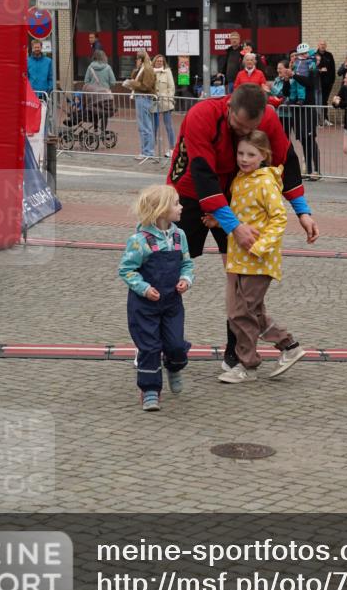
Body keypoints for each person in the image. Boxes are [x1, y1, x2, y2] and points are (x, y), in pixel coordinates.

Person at [167, 83, 319, 370]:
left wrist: (303, 212)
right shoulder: (202, 115)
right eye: (237, 125)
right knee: (166, 265)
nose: (241, 131)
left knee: (238, 275)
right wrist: (234, 226)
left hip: (237, 193)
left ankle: (235, 352)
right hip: (188, 191)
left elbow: (287, 161)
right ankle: (157, 344)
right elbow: (202, 174)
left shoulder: (269, 118)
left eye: (250, 127)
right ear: (228, 109)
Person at [203, 130, 305, 383]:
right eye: (240, 153)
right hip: (241, 259)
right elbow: (242, 216)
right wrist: (219, 222)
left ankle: (247, 365)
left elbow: (279, 218)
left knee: (241, 312)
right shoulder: (240, 179)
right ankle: (289, 346)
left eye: (251, 154)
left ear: (264, 156)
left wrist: (261, 247)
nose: (244, 159)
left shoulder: (265, 182)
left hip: (259, 261)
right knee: (253, 312)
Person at [118, 185, 194, 412]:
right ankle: (150, 390)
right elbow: (126, 270)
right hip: (144, 305)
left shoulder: (180, 236)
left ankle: (174, 366)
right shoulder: (139, 240)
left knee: (176, 345)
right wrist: (143, 288)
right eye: (176, 203)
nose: (181, 207)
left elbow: (187, 263)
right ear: (161, 210)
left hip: (171, 302)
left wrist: (186, 279)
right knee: (149, 347)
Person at [289, 43, 321, 179]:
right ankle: (308, 169)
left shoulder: (312, 65)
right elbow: (289, 88)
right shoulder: (295, 65)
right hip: (297, 107)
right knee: (302, 139)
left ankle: (317, 170)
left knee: (310, 139)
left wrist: (294, 76)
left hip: (308, 106)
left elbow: (310, 83)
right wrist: (287, 79)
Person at [123, 49, 156, 162]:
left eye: (137, 58)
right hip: (141, 98)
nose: (135, 60)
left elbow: (146, 86)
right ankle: (145, 151)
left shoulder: (147, 69)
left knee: (145, 127)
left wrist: (131, 83)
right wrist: (136, 69)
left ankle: (148, 151)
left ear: (141, 59)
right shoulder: (142, 69)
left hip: (143, 98)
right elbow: (135, 77)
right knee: (144, 126)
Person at [151, 54, 176, 157]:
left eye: (161, 61)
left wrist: (168, 97)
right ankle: (152, 149)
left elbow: (171, 87)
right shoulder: (150, 72)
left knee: (168, 126)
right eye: (158, 61)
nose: (160, 62)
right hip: (154, 102)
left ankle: (172, 148)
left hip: (165, 101)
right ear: (154, 62)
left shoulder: (167, 71)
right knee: (154, 127)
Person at [316, 40, 336, 125]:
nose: (323, 46)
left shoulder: (329, 55)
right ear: (318, 45)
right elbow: (311, 68)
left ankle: (325, 119)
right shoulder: (314, 55)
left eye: (324, 44)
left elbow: (333, 68)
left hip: (327, 83)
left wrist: (332, 81)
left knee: (325, 100)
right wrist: (320, 70)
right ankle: (317, 120)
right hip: (317, 83)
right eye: (321, 44)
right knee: (317, 101)